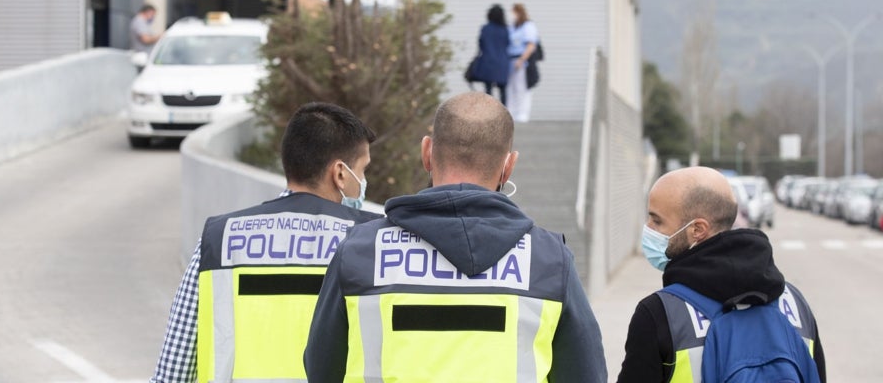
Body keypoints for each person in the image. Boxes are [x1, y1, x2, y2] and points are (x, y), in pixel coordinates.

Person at [304, 92, 606, 383]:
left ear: (426, 153)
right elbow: (586, 374)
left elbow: (321, 368)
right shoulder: (550, 260)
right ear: (508, 166)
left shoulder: (359, 252)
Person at [149, 102, 380, 383]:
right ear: (341, 173)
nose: (364, 180)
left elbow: (173, 369)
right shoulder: (371, 240)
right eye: (363, 170)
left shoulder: (221, 238)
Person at [616, 166, 826, 383]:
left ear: (697, 229)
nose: (648, 228)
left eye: (657, 220)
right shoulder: (795, 304)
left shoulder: (660, 313)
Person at [506, 3, 539, 122]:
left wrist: (521, 59)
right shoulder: (512, 27)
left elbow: (531, 45)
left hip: (522, 61)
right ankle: (511, 113)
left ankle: (522, 114)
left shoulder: (528, 26)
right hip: (510, 60)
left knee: (522, 88)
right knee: (511, 88)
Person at [475, 4, 511, 104]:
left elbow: (481, 44)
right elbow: (508, 44)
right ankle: (504, 114)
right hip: (503, 62)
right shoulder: (505, 30)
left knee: (488, 90)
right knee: (503, 90)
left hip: (488, 61)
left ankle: (489, 114)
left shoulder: (485, 29)